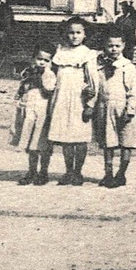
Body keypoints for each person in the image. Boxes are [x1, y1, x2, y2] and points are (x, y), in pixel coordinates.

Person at [44, 17, 98, 185]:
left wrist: (90, 104)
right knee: (66, 137)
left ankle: (78, 172)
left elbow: (93, 81)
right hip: (61, 99)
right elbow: (51, 74)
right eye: (71, 33)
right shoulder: (60, 52)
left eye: (78, 33)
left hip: (79, 100)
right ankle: (68, 172)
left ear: (85, 34)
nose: (74, 36)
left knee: (79, 137)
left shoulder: (87, 54)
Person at [94, 35, 136, 187]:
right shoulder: (99, 66)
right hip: (105, 108)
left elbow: (135, 90)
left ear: (123, 46)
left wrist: (130, 109)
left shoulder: (127, 66)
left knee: (126, 141)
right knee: (108, 142)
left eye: (117, 46)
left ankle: (121, 174)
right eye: (110, 46)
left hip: (124, 109)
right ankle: (108, 174)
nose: (113, 49)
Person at [11, 47, 57, 185]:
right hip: (30, 109)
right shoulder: (29, 72)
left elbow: (49, 90)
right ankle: (32, 171)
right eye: (39, 59)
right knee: (31, 143)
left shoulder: (50, 75)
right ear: (33, 59)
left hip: (43, 110)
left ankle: (43, 172)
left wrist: (43, 76)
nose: (42, 62)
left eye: (46, 60)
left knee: (42, 143)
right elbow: (22, 88)